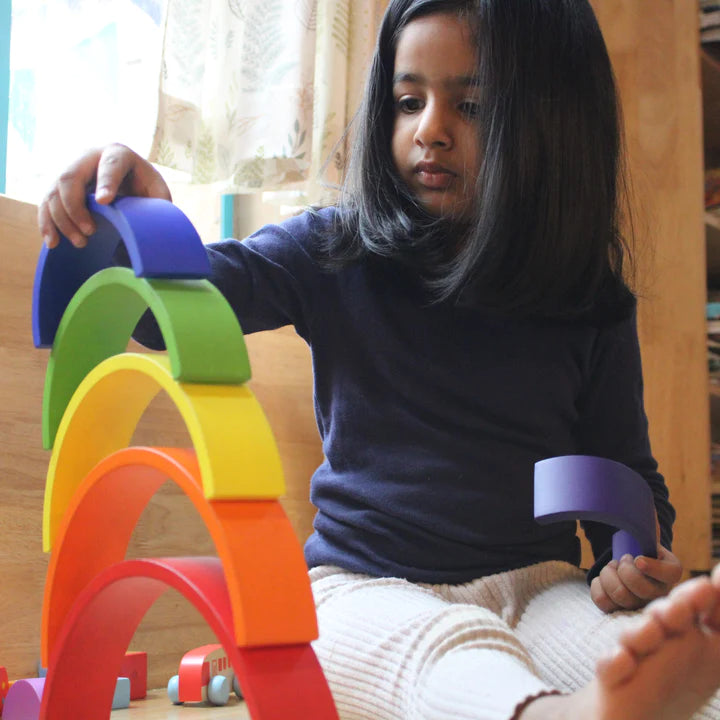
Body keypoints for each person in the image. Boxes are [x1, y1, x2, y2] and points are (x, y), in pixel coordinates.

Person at [37, 0, 720, 717]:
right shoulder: (335, 248)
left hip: (540, 585)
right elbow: (166, 312)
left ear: (553, 122)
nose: (428, 130)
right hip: (361, 589)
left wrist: (630, 564)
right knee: (442, 660)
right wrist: (134, 222)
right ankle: (552, 713)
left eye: (473, 106)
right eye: (406, 100)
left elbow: (627, 478)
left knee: (625, 652)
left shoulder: (589, 299)